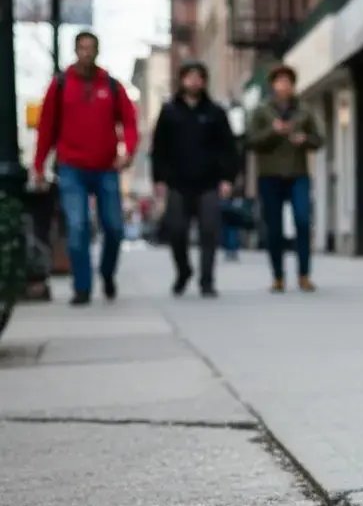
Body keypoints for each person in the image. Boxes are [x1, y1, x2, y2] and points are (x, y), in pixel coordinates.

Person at [31, 30, 138, 306]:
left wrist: (128, 151)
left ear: (97, 51)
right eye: (82, 47)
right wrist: (38, 165)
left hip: (106, 168)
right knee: (77, 228)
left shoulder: (111, 85)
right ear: (75, 50)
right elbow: (46, 127)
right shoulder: (61, 84)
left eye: (91, 48)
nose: (86, 52)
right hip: (71, 169)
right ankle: (82, 287)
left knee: (114, 228)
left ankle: (107, 273)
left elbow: (129, 121)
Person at [150, 59, 238, 298]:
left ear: (204, 81)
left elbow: (228, 148)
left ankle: (207, 280)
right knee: (176, 231)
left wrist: (227, 178)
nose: (194, 81)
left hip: (208, 183)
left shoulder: (215, 112)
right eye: (189, 76)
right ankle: (184, 270)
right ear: (182, 80)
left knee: (209, 232)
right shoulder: (170, 112)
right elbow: (158, 148)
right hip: (177, 183)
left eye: (199, 77)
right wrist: (159, 179)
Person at [245, 64, 324, 293]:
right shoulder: (261, 111)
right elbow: (250, 141)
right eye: (279, 81)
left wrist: (304, 139)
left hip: (298, 174)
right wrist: (273, 131)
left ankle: (304, 275)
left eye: (287, 81)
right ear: (272, 85)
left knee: (303, 221)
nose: (284, 86)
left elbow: (319, 139)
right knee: (274, 228)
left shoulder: (304, 110)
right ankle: (278, 276)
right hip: (270, 175)